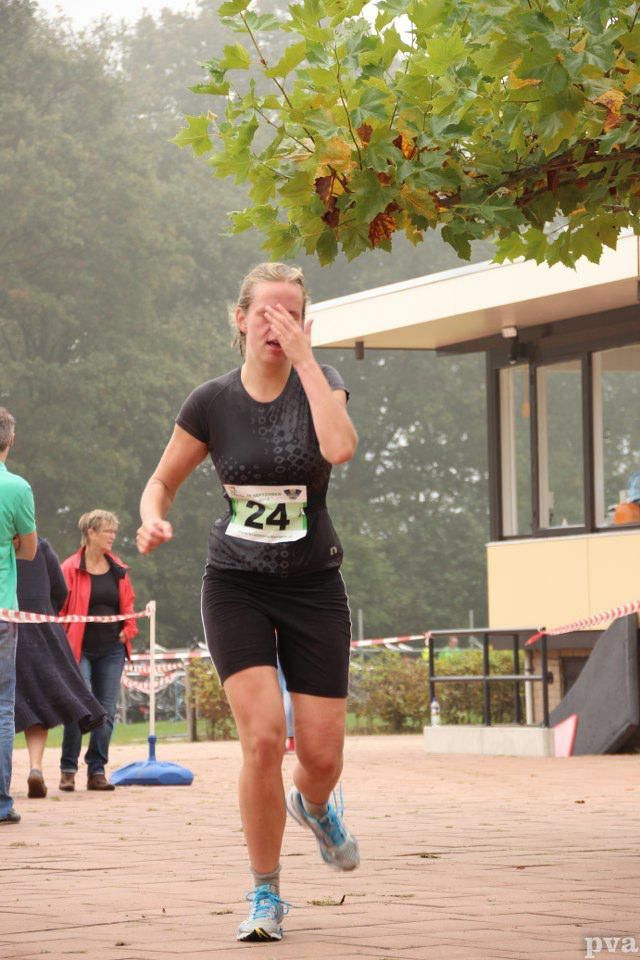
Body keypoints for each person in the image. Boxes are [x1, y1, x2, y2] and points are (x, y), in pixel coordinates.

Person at [137, 262, 359, 943]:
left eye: (291, 313)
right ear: (240, 319)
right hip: (235, 581)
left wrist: (310, 365)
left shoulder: (323, 387)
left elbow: (341, 449)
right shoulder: (212, 402)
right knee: (262, 738)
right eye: (266, 312)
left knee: (320, 754)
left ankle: (316, 805)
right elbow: (162, 480)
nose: (277, 324)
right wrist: (152, 517)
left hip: (313, 585)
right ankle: (265, 892)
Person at [15, 538, 106, 798]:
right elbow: (60, 590)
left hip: (7, 626)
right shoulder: (41, 547)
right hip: (41, 630)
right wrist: (44, 610)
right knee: (37, 704)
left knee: (7, 705)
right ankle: (36, 768)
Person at [58, 510, 138, 791]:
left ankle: (97, 770)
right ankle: (68, 768)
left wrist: (127, 630)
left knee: (106, 710)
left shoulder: (119, 569)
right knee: (78, 706)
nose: (113, 537)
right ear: (91, 533)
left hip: (112, 650)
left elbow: (128, 606)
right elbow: (59, 609)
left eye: (114, 532)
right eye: (108, 531)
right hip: (78, 649)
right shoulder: (69, 568)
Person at [0, 407, 37, 825]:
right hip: (3, 611)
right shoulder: (17, 488)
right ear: (10, 441)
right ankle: (0, 803)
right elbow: (28, 550)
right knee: (2, 706)